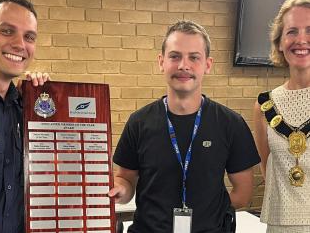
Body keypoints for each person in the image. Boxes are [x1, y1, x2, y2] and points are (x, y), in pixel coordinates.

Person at [109, 20, 261, 233]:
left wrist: (206, 216)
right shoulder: (139, 122)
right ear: (161, 62)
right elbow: (125, 180)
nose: (183, 65)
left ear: (207, 64)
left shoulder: (231, 123)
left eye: (194, 57)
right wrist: (121, 191)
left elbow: (243, 194)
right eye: (175, 56)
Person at [0, 0, 49, 233]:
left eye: (29, 37)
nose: (19, 44)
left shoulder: (25, 106)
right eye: (7, 31)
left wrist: (49, 99)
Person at [253, 0, 310, 233]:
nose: (301, 39)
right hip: (280, 224)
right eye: (292, 31)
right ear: (279, 42)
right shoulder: (264, 106)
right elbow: (268, 170)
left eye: (309, 30)